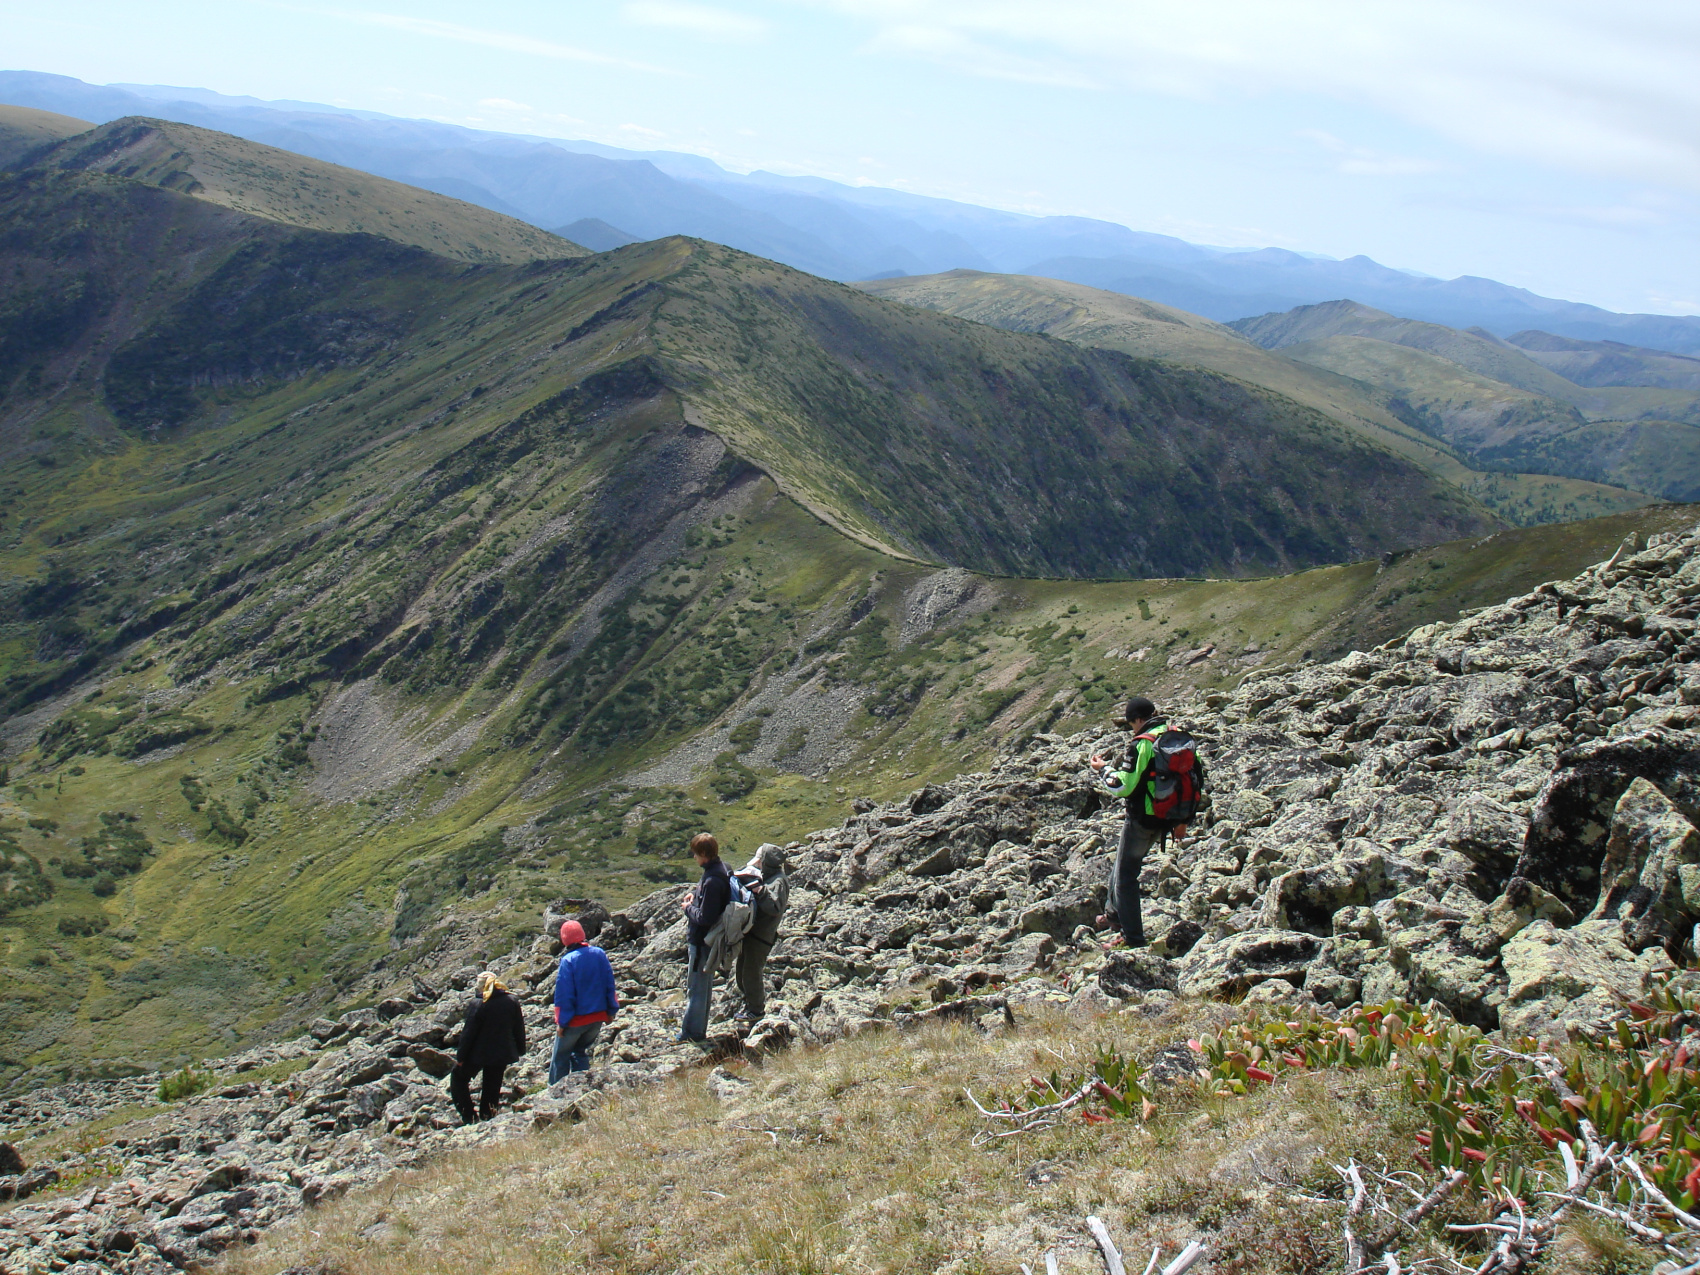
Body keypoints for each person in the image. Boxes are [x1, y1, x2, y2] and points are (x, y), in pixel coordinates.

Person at [1089, 696, 1166, 949]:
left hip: (1144, 817)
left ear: (1139, 720)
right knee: (1122, 863)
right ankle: (1112, 914)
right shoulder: (1173, 735)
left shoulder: (1142, 744)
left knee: (1126, 877)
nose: (1132, 728)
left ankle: (1133, 939)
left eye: (1132, 723)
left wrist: (1102, 769)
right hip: (1168, 816)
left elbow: (1122, 785)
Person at [450, 971, 526, 1124]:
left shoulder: (478, 1004)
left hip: (477, 1053)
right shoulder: (512, 1001)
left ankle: (469, 1115)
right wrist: (520, 1049)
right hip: (502, 1052)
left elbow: (468, 1033)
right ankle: (488, 1115)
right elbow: (518, 1027)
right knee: (492, 1085)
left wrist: (461, 1057)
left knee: (458, 1078)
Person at [549, 919, 619, 1083]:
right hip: (597, 1018)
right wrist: (611, 1011)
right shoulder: (599, 953)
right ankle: (582, 1087)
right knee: (579, 1052)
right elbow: (609, 984)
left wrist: (562, 1022)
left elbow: (564, 995)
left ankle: (555, 1094)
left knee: (560, 1057)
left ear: (565, 939)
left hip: (575, 1021)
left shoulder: (568, 960)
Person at [678, 832, 730, 1043]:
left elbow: (705, 917)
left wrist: (688, 908)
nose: (694, 858)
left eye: (696, 854)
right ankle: (697, 1030)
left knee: (697, 988)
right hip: (709, 941)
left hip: (702, 942)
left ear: (704, 854)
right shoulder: (720, 869)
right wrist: (696, 894)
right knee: (704, 986)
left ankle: (691, 1034)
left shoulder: (712, 880)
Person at [733, 843, 789, 1021]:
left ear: (766, 862)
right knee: (741, 972)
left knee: (751, 972)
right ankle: (749, 1002)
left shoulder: (778, 881)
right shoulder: (767, 876)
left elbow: (774, 907)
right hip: (752, 933)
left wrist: (759, 890)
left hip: (761, 937)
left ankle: (756, 1010)